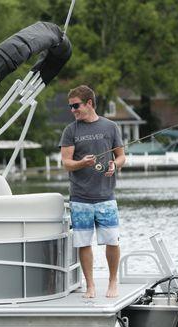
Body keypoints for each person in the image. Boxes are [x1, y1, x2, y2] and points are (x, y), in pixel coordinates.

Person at [59, 85, 126, 298]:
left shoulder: (111, 127)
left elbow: (122, 156)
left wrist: (115, 164)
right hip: (80, 197)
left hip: (106, 196)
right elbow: (66, 163)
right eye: (70, 106)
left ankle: (112, 282)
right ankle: (90, 286)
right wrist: (81, 163)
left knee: (112, 241)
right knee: (83, 243)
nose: (73, 110)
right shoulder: (71, 130)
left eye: (76, 105)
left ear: (89, 103)